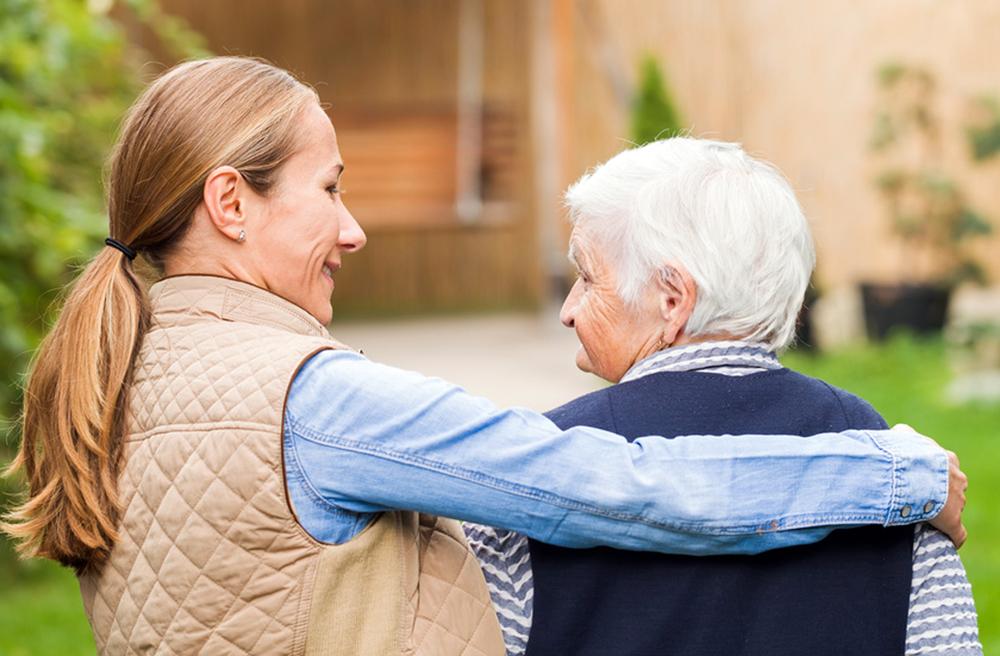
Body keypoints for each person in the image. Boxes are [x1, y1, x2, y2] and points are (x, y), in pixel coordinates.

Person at [1, 58, 963, 656]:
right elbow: (614, 487)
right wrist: (902, 473)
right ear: (230, 203)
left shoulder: (127, 377)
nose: (353, 229)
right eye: (329, 189)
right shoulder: (314, 402)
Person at [465, 138, 982, 655]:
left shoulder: (535, 468)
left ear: (672, 298)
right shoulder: (893, 465)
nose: (568, 310)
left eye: (586, 276)